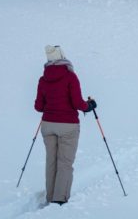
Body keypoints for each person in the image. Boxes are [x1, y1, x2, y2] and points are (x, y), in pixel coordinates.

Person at [34, 45, 96, 206]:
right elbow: (77, 103)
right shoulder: (70, 76)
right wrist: (89, 106)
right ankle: (59, 199)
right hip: (68, 126)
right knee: (65, 162)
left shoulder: (43, 79)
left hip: (48, 125)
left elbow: (39, 107)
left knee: (51, 162)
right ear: (62, 56)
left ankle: (50, 197)